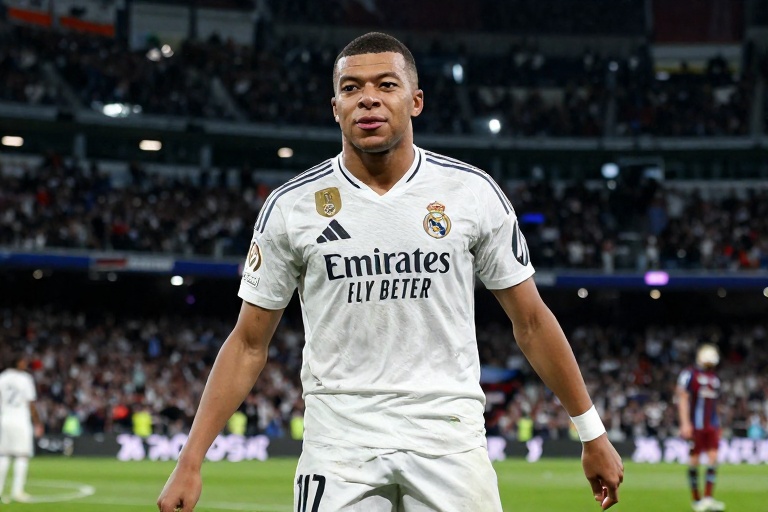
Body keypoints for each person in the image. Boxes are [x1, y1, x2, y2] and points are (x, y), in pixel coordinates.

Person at [157, 31, 624, 512]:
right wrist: (190, 460)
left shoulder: (472, 193)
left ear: (416, 101)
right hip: (339, 448)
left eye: (386, 85)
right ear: (335, 107)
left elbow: (532, 321)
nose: (368, 99)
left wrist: (592, 432)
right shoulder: (292, 206)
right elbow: (248, 343)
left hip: (449, 442)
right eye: (351, 88)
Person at [676, 344, 725, 512]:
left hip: (712, 425)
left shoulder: (714, 378)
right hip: (696, 425)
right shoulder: (689, 374)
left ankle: (708, 498)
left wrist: (719, 424)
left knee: (713, 458)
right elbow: (683, 398)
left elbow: (716, 404)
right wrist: (685, 423)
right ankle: (697, 500)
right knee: (694, 460)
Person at [0, 353, 43, 503]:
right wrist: (37, 422)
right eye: (23, 361)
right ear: (17, 362)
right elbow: (31, 403)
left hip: (4, 418)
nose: (25, 364)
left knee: (4, 455)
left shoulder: (2, 377)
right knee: (21, 456)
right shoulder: (25, 378)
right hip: (20, 419)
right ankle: (17, 492)